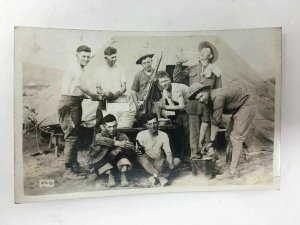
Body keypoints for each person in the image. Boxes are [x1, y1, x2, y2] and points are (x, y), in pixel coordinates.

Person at [188, 82, 256, 179]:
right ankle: (228, 166)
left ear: (206, 90)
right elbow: (205, 122)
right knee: (228, 136)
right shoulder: (207, 101)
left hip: (246, 106)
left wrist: (211, 141)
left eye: (201, 96)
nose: (201, 100)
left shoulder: (217, 97)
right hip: (238, 109)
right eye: (198, 99)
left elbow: (215, 122)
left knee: (236, 138)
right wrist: (200, 141)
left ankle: (233, 171)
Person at [58, 45, 101, 180]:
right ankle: (68, 171)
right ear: (76, 55)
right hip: (69, 104)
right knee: (71, 137)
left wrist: (91, 96)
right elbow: (81, 87)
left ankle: (75, 166)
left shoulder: (80, 69)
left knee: (75, 135)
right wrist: (93, 95)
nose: (86, 59)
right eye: (83, 56)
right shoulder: (75, 67)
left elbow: (79, 90)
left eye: (88, 57)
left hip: (75, 102)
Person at [173, 41, 222, 158]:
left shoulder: (215, 70)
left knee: (207, 134)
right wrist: (178, 64)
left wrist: (215, 106)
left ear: (210, 56)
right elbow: (176, 78)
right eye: (201, 51)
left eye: (205, 51)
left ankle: (208, 157)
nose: (201, 53)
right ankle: (194, 157)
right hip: (193, 105)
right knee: (193, 134)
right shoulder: (191, 68)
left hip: (208, 106)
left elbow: (218, 90)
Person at [88, 114, 136, 187]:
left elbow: (130, 150)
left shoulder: (122, 135)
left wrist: (130, 146)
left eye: (114, 126)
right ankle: (110, 176)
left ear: (117, 124)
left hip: (118, 162)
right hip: (106, 162)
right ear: (104, 126)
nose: (112, 129)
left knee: (123, 152)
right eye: (109, 126)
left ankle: (123, 175)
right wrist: (117, 143)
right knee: (101, 160)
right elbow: (98, 139)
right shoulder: (100, 135)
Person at [135, 114, 180, 186]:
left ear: (158, 123)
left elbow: (168, 152)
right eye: (150, 124)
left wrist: (171, 165)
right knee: (143, 159)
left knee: (176, 160)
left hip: (158, 160)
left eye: (155, 123)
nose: (153, 126)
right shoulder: (141, 134)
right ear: (146, 125)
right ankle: (161, 177)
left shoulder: (163, 135)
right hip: (146, 160)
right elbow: (140, 154)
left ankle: (154, 177)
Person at [154, 71, 190, 160]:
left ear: (170, 79)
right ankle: (179, 157)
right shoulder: (165, 91)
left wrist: (165, 106)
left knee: (185, 133)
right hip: (182, 111)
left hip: (191, 108)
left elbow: (182, 106)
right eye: (161, 82)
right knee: (176, 129)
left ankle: (187, 157)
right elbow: (172, 107)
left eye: (165, 81)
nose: (164, 83)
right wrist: (164, 112)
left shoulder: (176, 88)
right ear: (159, 83)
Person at [94, 46, 127, 136]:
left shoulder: (121, 68)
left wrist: (118, 93)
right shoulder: (99, 70)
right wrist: (105, 93)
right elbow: (97, 89)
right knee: (100, 125)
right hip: (104, 101)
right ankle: (97, 147)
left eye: (115, 57)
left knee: (117, 125)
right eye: (112, 57)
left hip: (118, 101)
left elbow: (124, 87)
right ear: (106, 58)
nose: (115, 59)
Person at [131, 52, 161, 126]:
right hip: (142, 105)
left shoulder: (158, 74)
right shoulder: (138, 75)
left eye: (148, 62)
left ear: (151, 61)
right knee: (141, 124)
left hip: (155, 105)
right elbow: (133, 91)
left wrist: (156, 82)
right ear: (142, 64)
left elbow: (163, 89)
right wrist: (136, 103)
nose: (147, 64)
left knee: (156, 124)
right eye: (144, 63)